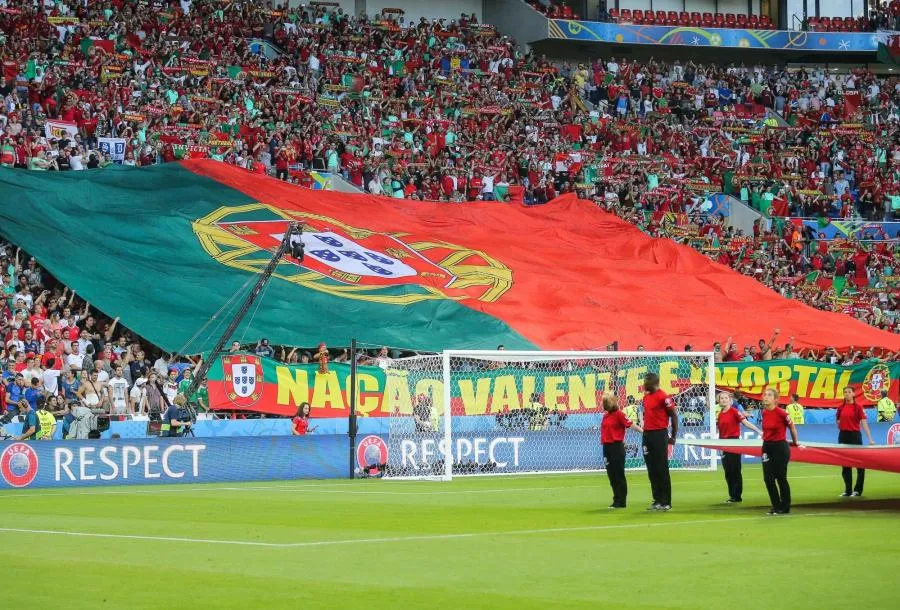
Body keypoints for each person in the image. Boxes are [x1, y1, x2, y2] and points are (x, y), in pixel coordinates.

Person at [716, 391, 762, 503]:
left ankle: (737, 496)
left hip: (734, 442)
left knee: (735, 469)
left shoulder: (734, 411)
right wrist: (719, 446)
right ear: (719, 400)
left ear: (730, 400)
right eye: (721, 398)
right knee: (727, 471)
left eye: (726, 398)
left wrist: (758, 431)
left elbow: (745, 423)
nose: (724, 400)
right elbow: (720, 431)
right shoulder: (720, 414)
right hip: (723, 443)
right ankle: (732, 495)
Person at [641, 373, 678, 511]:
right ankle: (657, 500)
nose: (644, 384)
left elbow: (674, 415)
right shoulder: (646, 397)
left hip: (659, 434)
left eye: (645, 381)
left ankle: (666, 501)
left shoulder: (664, 397)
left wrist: (673, 436)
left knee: (661, 468)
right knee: (651, 469)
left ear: (653, 382)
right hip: (647, 434)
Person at [761, 387, 799, 515]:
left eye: (769, 395)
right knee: (768, 478)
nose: (765, 397)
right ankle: (776, 505)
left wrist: (795, 442)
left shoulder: (782, 413)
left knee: (781, 477)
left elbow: (792, 427)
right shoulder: (764, 412)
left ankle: (785, 506)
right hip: (766, 447)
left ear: (775, 399)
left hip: (780, 447)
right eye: (765, 394)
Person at [601, 392, 643, 508]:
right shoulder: (605, 416)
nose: (604, 405)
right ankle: (616, 499)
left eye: (605, 402)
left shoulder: (619, 414)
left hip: (616, 447)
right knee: (611, 475)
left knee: (619, 474)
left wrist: (643, 432)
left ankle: (621, 501)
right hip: (606, 447)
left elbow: (630, 424)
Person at [836, 387, 875, 498]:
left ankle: (857, 490)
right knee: (845, 465)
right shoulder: (840, 408)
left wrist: (870, 439)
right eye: (845, 392)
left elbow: (864, 423)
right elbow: (838, 421)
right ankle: (848, 491)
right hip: (843, 436)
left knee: (860, 464)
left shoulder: (858, 407)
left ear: (853, 394)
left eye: (849, 392)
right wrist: (841, 424)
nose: (847, 394)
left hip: (855, 436)